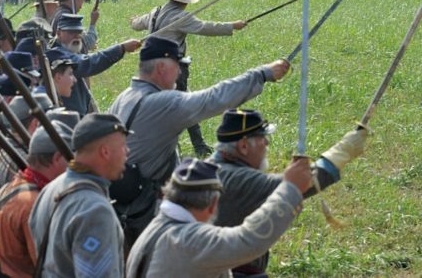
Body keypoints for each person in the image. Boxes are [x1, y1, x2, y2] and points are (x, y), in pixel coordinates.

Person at [108, 36, 290, 249]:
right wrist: (261, 74)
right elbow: (212, 99)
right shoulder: (161, 102)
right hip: (146, 209)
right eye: (178, 66)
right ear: (161, 68)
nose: (180, 73)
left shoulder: (125, 96)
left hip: (123, 202)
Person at [210, 108, 369, 276]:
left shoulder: (212, 168)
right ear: (243, 146)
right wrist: (343, 151)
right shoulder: (238, 180)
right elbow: (298, 183)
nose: (267, 143)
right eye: (262, 138)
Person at [126, 156, 311, 278]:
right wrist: (289, 189)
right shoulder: (191, 241)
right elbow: (249, 240)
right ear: (214, 203)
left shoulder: (152, 228)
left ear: (167, 194)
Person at [130, 0, 247, 156]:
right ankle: (178, 147)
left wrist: (133, 21)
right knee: (184, 105)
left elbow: (138, 23)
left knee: (169, 104)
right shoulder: (181, 17)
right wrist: (232, 26)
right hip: (171, 69)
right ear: (185, 2)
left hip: (150, 69)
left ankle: (195, 144)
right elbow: (206, 27)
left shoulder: (156, 11)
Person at [29, 113, 130, 277]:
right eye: (123, 146)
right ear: (105, 152)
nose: (127, 152)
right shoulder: (95, 210)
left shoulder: (49, 189)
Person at [0, 120, 73, 277]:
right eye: (70, 159)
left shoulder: (13, 189)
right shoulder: (33, 204)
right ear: (57, 158)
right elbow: (50, 269)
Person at [51, 14, 141, 116]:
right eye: (71, 32)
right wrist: (121, 48)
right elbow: (88, 63)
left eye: (79, 32)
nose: (77, 36)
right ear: (58, 33)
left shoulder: (67, 51)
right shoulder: (56, 54)